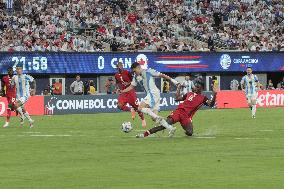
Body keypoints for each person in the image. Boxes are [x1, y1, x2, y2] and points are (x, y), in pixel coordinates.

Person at [136, 79, 217, 138]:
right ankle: (145, 134)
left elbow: (211, 104)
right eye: (195, 86)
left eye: (197, 87)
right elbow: (177, 98)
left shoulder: (203, 98)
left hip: (186, 116)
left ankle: (176, 128)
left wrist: (215, 94)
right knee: (165, 125)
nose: (195, 88)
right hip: (179, 111)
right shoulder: (189, 93)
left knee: (190, 133)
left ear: (201, 88)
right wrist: (178, 88)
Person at [120, 62, 180, 135]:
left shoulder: (148, 71)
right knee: (154, 118)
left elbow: (161, 75)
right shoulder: (136, 77)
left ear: (138, 67)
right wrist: (122, 91)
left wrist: (173, 80)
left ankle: (158, 118)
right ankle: (171, 128)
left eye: (134, 71)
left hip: (153, 93)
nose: (134, 72)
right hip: (154, 94)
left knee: (140, 108)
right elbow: (131, 86)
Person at [114, 62, 146, 127]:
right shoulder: (116, 75)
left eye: (120, 66)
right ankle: (131, 109)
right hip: (123, 93)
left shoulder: (127, 72)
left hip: (130, 92)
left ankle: (143, 120)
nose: (119, 67)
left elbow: (133, 81)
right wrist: (117, 88)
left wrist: (128, 83)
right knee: (119, 106)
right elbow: (118, 83)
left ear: (122, 66)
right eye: (117, 67)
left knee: (138, 108)